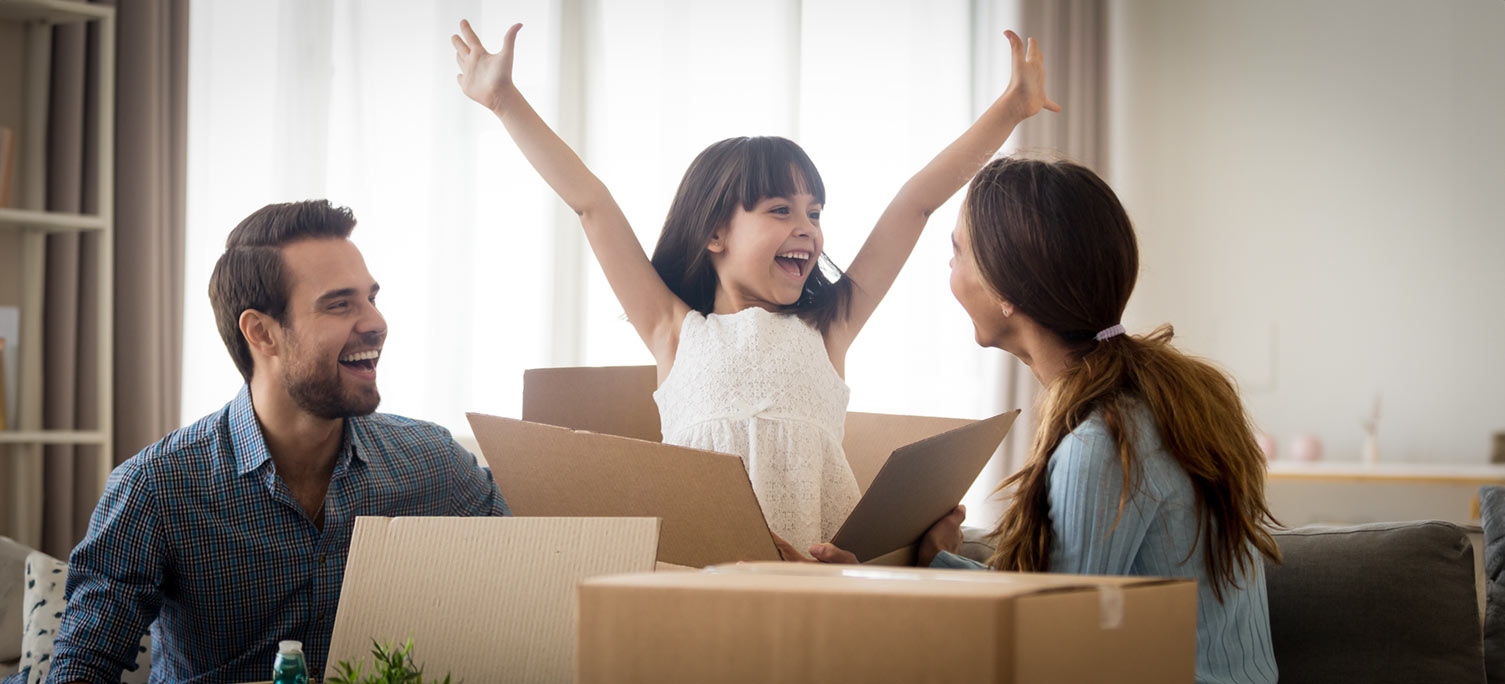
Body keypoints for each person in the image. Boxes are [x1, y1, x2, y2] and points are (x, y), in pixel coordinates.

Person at [451, 20, 1058, 551]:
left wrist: (1011, 108)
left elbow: (915, 204)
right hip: (708, 579)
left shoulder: (830, 328)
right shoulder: (673, 332)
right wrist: (504, 101)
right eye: (780, 210)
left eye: (814, 212)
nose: (807, 228)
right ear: (715, 233)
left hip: (819, 581)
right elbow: (592, 204)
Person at [806, 158, 1282, 684]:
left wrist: (880, 590)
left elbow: (1056, 648)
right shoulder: (1159, 402)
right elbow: (1068, 602)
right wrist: (937, 563)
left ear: (1007, 290)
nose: (950, 272)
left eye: (957, 253)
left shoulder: (1102, 442)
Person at [44, 201, 509, 684]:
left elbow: (542, 559)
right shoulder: (158, 486)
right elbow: (82, 668)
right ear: (262, 333)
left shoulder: (432, 461)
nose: (376, 321)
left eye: (371, 298)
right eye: (340, 304)